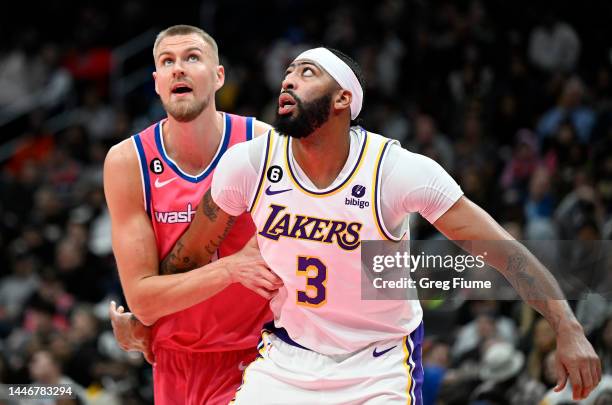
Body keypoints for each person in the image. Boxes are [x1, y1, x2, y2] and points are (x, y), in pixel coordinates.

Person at [164, 47, 601, 404]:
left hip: (378, 363)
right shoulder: (249, 164)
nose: (288, 81)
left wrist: (568, 327)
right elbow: (187, 257)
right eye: (288, 72)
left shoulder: (394, 170)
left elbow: (503, 250)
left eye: (307, 72)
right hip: (287, 359)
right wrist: (148, 316)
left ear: (343, 100)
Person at [103, 25, 282, 405]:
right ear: (156, 82)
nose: (178, 69)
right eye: (167, 62)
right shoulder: (126, 162)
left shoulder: (261, 143)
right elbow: (144, 298)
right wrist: (232, 268)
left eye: (192, 58)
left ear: (218, 76)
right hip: (174, 361)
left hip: (258, 354)